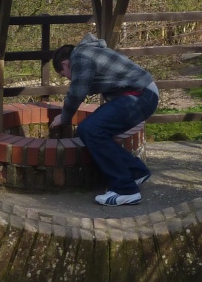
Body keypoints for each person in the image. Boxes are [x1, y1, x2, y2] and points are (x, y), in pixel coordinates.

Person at [50, 33, 159, 206]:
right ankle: (136, 171)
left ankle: (126, 189)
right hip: (142, 95)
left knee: (90, 130)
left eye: (64, 75)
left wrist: (64, 117)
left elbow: (77, 91)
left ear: (65, 64)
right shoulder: (89, 51)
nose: (68, 79)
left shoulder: (80, 57)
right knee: (93, 129)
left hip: (139, 96)